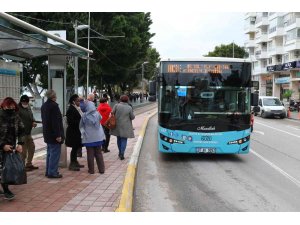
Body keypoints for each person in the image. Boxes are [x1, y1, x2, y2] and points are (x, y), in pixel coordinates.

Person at [0, 97, 25, 200]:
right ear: (3, 106)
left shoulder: (15, 116)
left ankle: (5, 189)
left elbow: (22, 130)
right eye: (8, 105)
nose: (10, 107)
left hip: (10, 147)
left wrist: (20, 143)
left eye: (12, 105)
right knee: (2, 169)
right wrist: (2, 145)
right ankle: (6, 190)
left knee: (7, 168)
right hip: (2, 146)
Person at [41, 90, 64, 179]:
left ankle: (48, 171)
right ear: (54, 96)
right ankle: (53, 172)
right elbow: (55, 122)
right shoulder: (54, 106)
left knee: (50, 153)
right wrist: (58, 135)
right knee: (55, 154)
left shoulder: (44, 106)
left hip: (47, 133)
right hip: (54, 134)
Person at [79, 100, 105, 174]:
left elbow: (81, 126)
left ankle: (91, 170)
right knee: (99, 153)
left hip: (89, 137)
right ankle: (101, 169)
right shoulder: (97, 113)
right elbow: (101, 119)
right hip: (98, 136)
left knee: (90, 154)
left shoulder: (84, 115)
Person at [110, 95, 135, 160]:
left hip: (117, 125)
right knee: (124, 140)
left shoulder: (116, 105)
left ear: (120, 99)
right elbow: (132, 117)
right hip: (125, 126)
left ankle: (120, 152)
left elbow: (112, 113)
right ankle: (122, 153)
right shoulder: (129, 107)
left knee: (118, 139)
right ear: (127, 100)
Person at [18, 95, 38, 171]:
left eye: (26, 102)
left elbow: (31, 116)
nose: (25, 103)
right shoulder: (18, 109)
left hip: (28, 132)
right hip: (22, 133)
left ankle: (29, 164)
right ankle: (22, 166)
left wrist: (33, 121)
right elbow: (17, 120)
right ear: (21, 102)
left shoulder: (28, 107)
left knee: (32, 147)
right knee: (23, 151)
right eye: (23, 102)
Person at [65, 94, 84, 171]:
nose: (79, 102)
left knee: (76, 147)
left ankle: (75, 161)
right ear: (73, 101)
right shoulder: (71, 109)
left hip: (77, 131)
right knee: (74, 147)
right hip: (73, 132)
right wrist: (81, 121)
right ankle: (72, 163)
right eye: (77, 101)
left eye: (79, 100)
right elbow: (71, 122)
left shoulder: (77, 108)